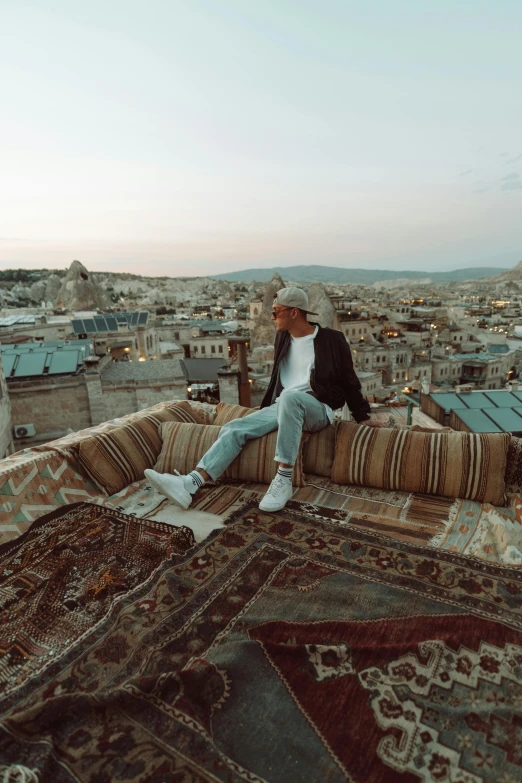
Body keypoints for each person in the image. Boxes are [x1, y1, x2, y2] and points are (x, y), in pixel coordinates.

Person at [145, 286, 383, 512]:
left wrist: (362, 416)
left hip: (319, 407)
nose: (271, 316)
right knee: (236, 427)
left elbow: (349, 379)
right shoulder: (283, 338)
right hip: (285, 405)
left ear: (294, 312)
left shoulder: (332, 340)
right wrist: (268, 406)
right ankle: (191, 482)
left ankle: (283, 479)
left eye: (275, 311)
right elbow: (277, 379)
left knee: (291, 398)